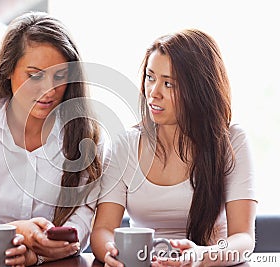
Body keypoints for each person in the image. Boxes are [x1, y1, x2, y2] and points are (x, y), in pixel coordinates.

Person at [0, 11, 104, 266]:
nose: (48, 90)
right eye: (35, 75)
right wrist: (19, 232)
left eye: (59, 76)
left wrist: (35, 255)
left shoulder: (85, 134)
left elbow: (79, 229)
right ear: (8, 70)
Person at [90, 29, 256, 266]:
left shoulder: (232, 141)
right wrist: (111, 252)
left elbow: (243, 239)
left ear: (199, 90)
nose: (154, 93)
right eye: (150, 77)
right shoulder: (125, 144)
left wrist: (201, 256)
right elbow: (103, 229)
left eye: (169, 84)